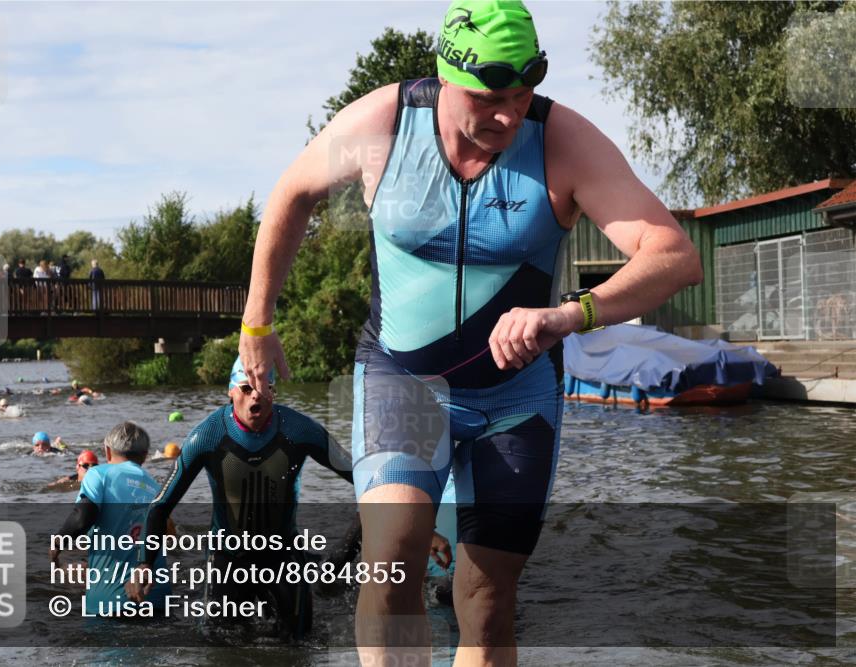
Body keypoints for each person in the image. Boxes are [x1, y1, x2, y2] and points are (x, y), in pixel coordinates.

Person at [237, 2, 703, 663]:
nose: (509, 116)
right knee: (393, 555)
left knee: (485, 600)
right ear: (446, 77)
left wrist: (567, 315)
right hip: (403, 378)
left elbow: (675, 256)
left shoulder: (562, 142)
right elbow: (292, 193)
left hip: (515, 398)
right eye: (490, 99)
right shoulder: (384, 124)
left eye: (522, 95)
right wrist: (257, 322)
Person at [126, 357, 356, 639]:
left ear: (274, 392)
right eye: (246, 389)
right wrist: (144, 564)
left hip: (283, 557)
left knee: (300, 645)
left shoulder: (299, 430)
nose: (254, 397)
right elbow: (160, 507)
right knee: (217, 643)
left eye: (263, 388)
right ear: (231, 392)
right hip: (227, 559)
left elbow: (362, 477)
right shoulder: (208, 436)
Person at [50, 422, 171, 617]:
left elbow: (82, 518)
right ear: (145, 456)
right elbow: (167, 536)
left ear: (107, 451)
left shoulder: (98, 474)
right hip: (158, 600)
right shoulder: (157, 488)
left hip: (110, 604)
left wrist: (58, 542)